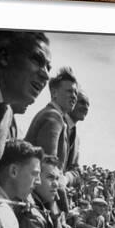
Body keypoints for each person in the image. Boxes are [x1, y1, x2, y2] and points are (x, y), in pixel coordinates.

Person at [25, 67, 79, 211]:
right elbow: (50, 172)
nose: (74, 96)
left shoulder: (54, 116)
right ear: (54, 93)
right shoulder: (53, 118)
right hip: (39, 201)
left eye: (75, 92)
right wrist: (65, 213)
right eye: (69, 91)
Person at [0, 30, 51, 163]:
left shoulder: (6, 112)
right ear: (5, 57)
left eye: (48, 67)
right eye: (37, 60)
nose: (46, 75)